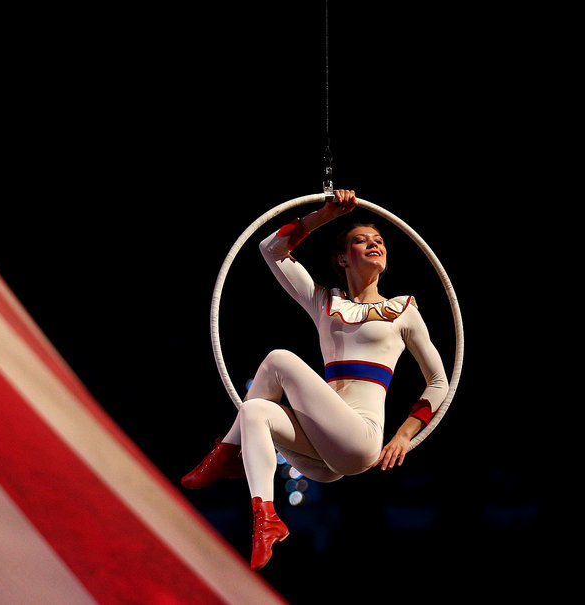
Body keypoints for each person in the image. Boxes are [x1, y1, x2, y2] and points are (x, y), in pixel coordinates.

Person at [181, 189, 449, 570]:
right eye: (361, 240)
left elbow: (439, 381)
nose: (374, 244)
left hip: (360, 440)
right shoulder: (324, 301)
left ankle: (226, 452)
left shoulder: (403, 311)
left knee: (279, 359)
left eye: (379, 240)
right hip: (321, 455)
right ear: (342, 258)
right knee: (255, 409)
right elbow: (270, 249)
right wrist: (325, 214)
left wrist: (404, 434)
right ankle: (267, 518)